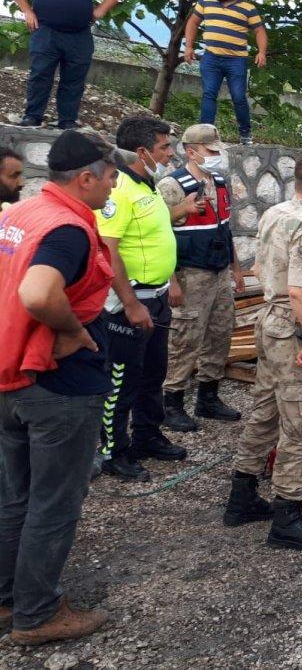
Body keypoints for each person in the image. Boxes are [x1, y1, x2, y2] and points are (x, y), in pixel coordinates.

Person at [0, 129, 126, 645]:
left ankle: (8, 600)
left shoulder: (19, 213)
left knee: (16, 496)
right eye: (111, 178)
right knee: (54, 501)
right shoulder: (67, 228)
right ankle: (37, 614)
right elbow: (36, 292)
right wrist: (73, 331)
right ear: (86, 178)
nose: (113, 189)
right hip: (56, 385)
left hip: (11, 375)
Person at [222, 154, 302, 551]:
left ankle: (242, 494)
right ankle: (288, 512)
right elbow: (299, 289)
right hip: (292, 327)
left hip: (268, 322)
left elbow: (261, 267)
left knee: (266, 409)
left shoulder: (276, 212)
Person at [97, 117, 185, 482]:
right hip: (130, 302)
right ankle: (113, 450)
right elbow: (109, 250)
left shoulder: (146, 184)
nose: (170, 153)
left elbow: (158, 238)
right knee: (123, 378)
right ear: (142, 151)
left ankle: (147, 435)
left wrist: (172, 280)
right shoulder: (118, 190)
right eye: (164, 147)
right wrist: (131, 302)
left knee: (153, 373)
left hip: (157, 296)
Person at [157, 124, 244, 432]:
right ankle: (172, 402)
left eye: (218, 151)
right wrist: (173, 281)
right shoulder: (172, 185)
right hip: (190, 272)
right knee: (185, 338)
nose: (216, 157)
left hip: (219, 271)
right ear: (190, 151)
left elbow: (225, 227)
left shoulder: (220, 181)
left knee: (220, 333)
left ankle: (208, 396)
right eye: (211, 151)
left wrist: (235, 269)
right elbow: (159, 233)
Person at [13, 0, 118, 130]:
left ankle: (67, 120)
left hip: (79, 34)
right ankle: (32, 116)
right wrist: (27, 11)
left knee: (74, 79)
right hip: (46, 30)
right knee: (40, 74)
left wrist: (100, 10)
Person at [183, 0, 268, 145]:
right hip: (211, 58)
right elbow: (193, 22)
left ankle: (245, 134)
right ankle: (205, 135)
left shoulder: (248, 8)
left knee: (239, 97)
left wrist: (261, 52)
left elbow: (259, 31)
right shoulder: (205, 1)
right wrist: (189, 47)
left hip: (236, 60)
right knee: (209, 93)